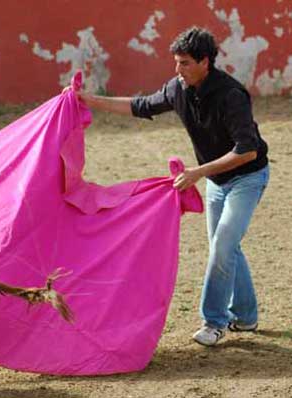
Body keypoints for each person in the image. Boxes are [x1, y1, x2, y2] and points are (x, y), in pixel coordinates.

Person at [74, 26, 269, 346]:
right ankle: (246, 316)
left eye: (185, 63)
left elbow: (246, 150)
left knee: (222, 245)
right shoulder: (178, 89)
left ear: (205, 62)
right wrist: (89, 100)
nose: (177, 70)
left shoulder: (231, 95)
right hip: (217, 181)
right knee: (226, 246)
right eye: (176, 62)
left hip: (247, 177)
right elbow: (140, 106)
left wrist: (198, 173)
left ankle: (214, 322)